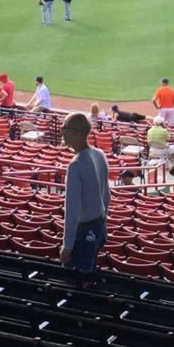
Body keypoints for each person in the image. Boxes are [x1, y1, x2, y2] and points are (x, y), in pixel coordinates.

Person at [59, 113, 109, 273]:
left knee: (79, 281)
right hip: (98, 226)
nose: (61, 131)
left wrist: (67, 246)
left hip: (84, 232)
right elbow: (107, 195)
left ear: (75, 133)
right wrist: (103, 223)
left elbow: (71, 211)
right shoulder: (100, 154)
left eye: (64, 128)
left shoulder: (75, 166)